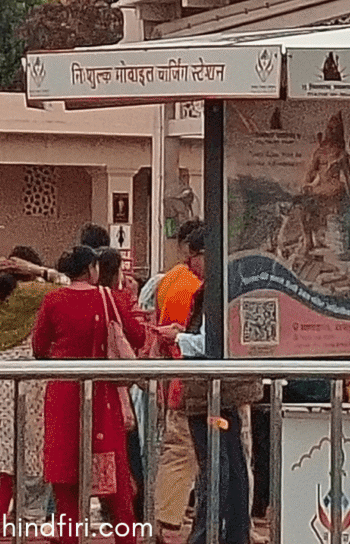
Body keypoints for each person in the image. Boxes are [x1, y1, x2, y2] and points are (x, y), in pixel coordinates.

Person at [32, 245, 146, 544]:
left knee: (66, 483)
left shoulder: (53, 299)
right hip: (103, 396)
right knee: (116, 486)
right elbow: (137, 335)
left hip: (62, 395)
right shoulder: (107, 298)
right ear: (92, 269)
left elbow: (39, 346)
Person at [157, 227, 262, 544]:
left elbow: (209, 343)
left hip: (210, 390)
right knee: (233, 462)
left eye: (193, 259)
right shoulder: (236, 284)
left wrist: (178, 338)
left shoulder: (211, 291)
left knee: (214, 464)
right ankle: (236, 531)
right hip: (230, 388)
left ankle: (205, 532)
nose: (190, 266)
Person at [0, 247, 59, 537]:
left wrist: (1, 269)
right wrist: (37, 271)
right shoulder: (34, 293)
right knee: (29, 450)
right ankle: (19, 514)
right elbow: (67, 284)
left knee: (6, 458)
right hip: (28, 379)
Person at [152, 219, 204, 538]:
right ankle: (172, 523)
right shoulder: (199, 286)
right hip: (193, 377)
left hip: (174, 378)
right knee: (188, 451)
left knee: (176, 451)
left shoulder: (170, 278)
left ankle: (167, 518)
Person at [96, 249, 145, 524]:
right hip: (115, 389)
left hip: (80, 388)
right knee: (125, 450)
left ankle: (61, 518)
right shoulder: (115, 301)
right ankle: (128, 514)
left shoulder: (67, 297)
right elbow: (136, 336)